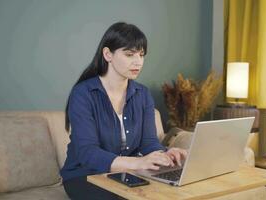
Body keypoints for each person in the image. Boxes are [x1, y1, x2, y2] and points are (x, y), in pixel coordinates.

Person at [60, 22, 188, 200]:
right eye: (129, 54)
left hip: (127, 173)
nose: (138, 62)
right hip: (84, 176)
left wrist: (165, 154)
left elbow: (149, 143)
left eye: (141, 55)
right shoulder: (83, 94)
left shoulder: (142, 94)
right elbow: (87, 153)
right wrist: (138, 162)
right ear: (107, 54)